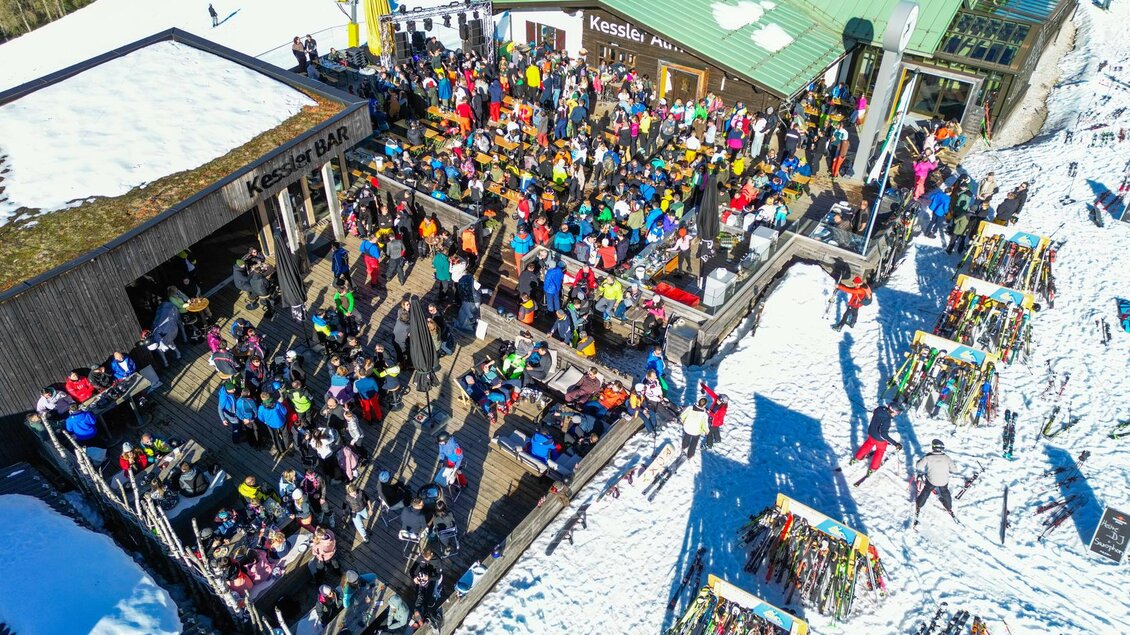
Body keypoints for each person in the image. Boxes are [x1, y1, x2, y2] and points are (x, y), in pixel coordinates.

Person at [851, 402, 904, 475]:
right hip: (879, 439)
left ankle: (857, 457)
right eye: (896, 413)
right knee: (880, 451)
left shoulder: (880, 409)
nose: (896, 415)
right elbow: (883, 434)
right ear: (892, 411)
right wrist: (895, 443)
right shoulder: (887, 420)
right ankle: (873, 468)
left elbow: (875, 412)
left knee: (868, 444)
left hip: (871, 432)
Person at [914, 439, 958, 526]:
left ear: (933, 447)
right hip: (944, 481)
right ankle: (948, 506)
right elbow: (955, 470)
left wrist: (919, 461)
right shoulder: (946, 458)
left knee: (926, 490)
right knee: (945, 491)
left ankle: (919, 504)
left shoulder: (928, 457)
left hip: (931, 481)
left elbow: (918, 466)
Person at [701, 382, 728, 449]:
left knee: (709, 432)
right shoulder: (717, 400)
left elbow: (718, 417)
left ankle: (709, 445)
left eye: (719, 399)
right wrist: (705, 387)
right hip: (713, 421)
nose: (717, 400)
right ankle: (718, 439)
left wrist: (709, 413)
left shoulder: (722, 410)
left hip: (715, 422)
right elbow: (711, 393)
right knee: (715, 430)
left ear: (722, 402)